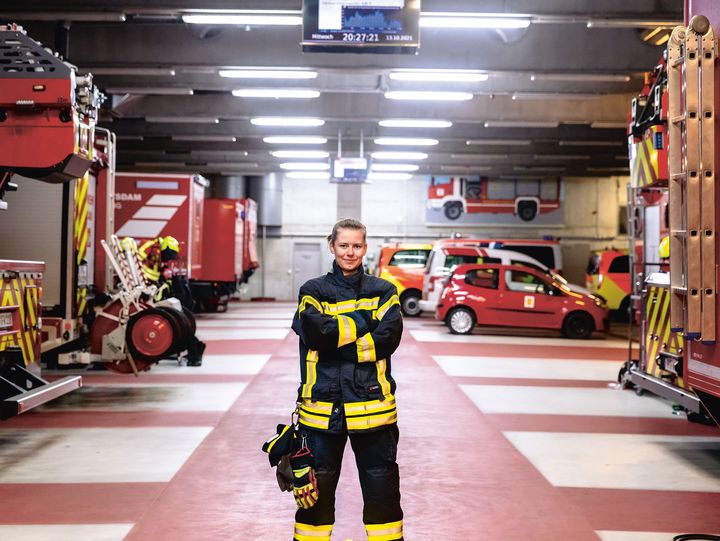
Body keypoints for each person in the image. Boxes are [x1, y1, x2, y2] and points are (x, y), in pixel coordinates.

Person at [290, 218, 404, 541]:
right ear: (332, 246)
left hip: (374, 412)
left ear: (365, 248)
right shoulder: (312, 291)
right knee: (314, 501)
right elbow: (316, 332)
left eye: (356, 245)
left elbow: (388, 337)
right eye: (344, 245)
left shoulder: (384, 290)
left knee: (383, 495)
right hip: (322, 413)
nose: (350, 252)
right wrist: (367, 319)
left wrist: (335, 346)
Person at [136, 235, 206, 367]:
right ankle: (194, 349)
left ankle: (194, 349)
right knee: (179, 318)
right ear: (165, 248)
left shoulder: (161, 254)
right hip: (147, 284)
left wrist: (163, 279)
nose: (169, 258)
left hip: (154, 287)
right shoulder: (149, 246)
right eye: (169, 255)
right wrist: (156, 277)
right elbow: (139, 262)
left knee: (180, 316)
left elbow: (159, 270)